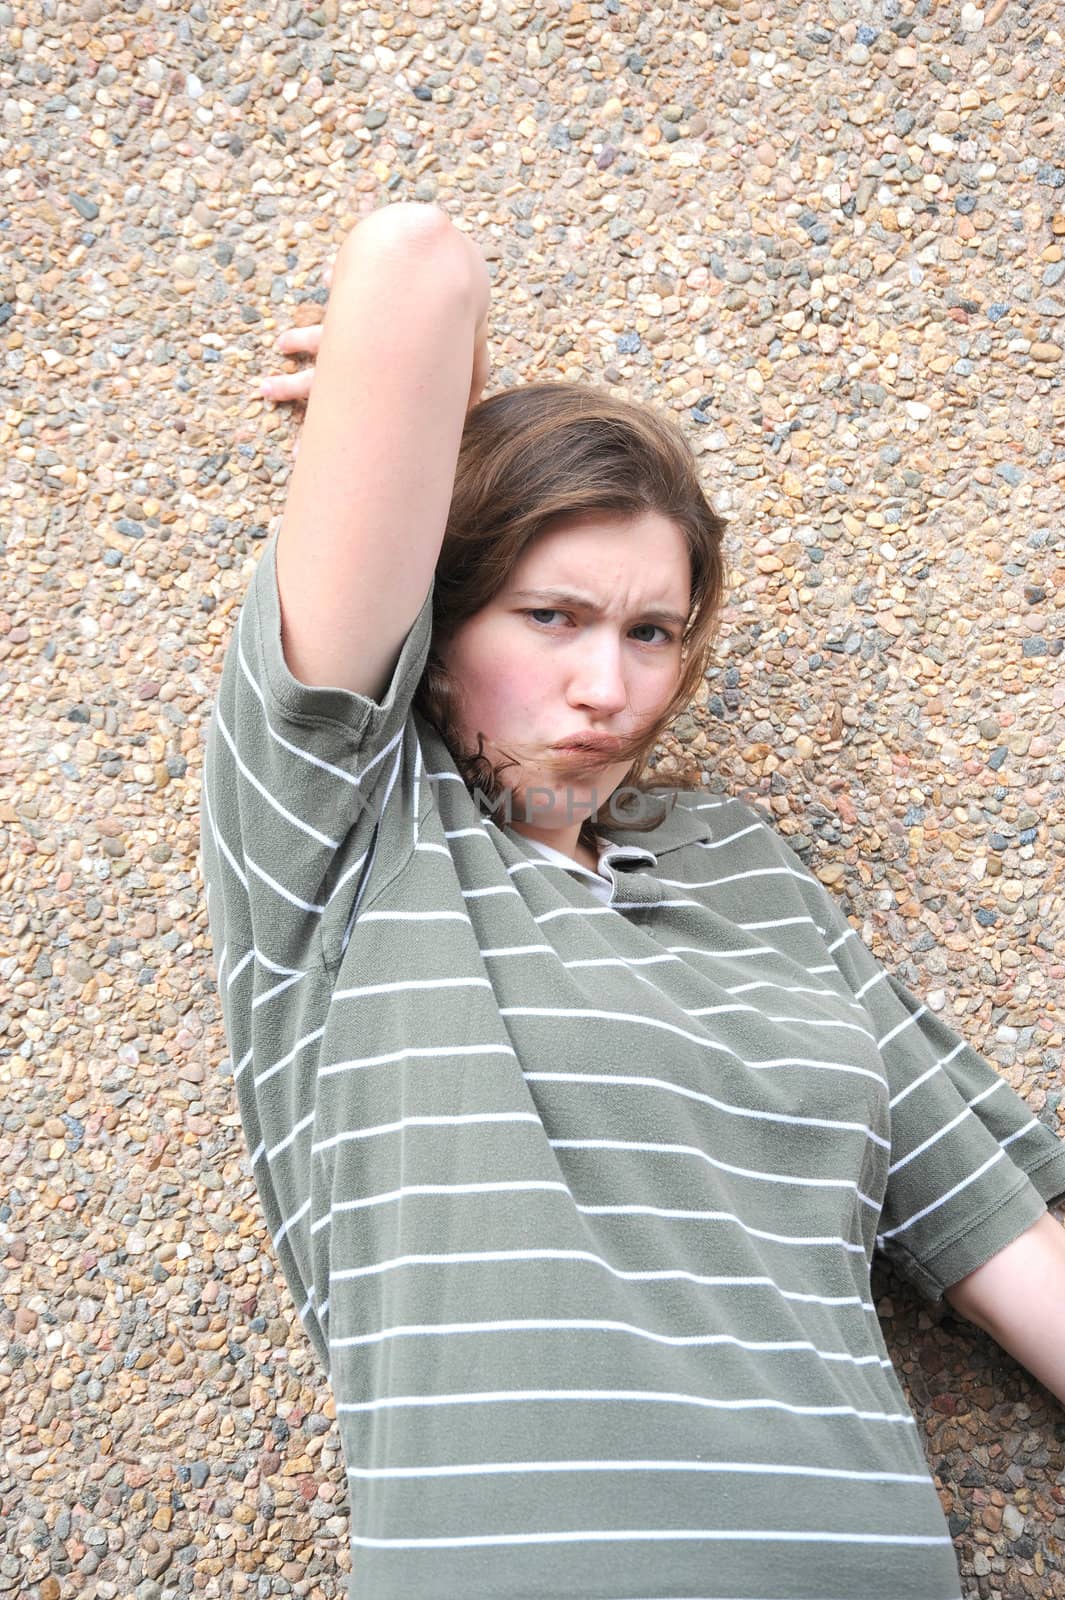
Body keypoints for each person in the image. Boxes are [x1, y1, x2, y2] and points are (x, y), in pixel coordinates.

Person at [200, 200, 1065, 1600]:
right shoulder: (341, 832)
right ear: (437, 620)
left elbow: (1001, 1248)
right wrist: (420, 435)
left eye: (650, 632)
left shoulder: (746, 874)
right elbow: (412, 264)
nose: (608, 689)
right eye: (550, 618)